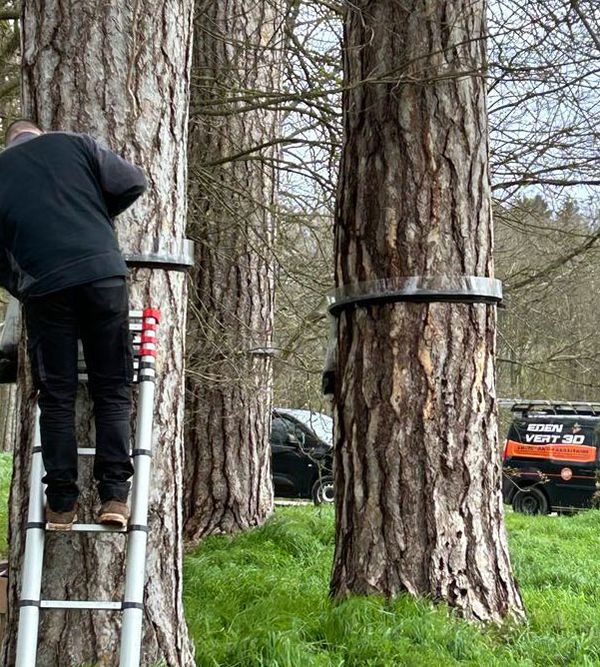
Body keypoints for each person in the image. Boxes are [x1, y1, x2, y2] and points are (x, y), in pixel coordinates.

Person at [0, 119, 147, 530]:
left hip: (46, 287)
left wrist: (22, 282)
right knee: (113, 387)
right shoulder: (74, 144)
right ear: (38, 134)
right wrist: (96, 220)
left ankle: (62, 503)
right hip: (103, 275)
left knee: (58, 394)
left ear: (9, 142)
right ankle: (115, 497)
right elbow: (132, 182)